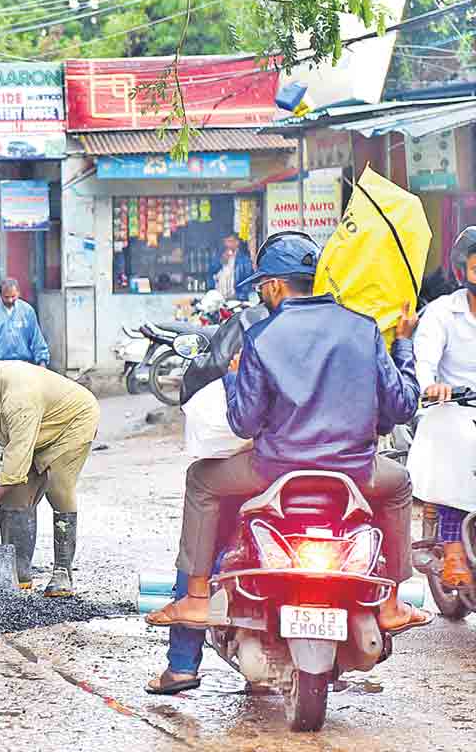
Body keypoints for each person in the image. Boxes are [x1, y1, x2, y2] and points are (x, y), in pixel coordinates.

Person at [143, 231, 431, 695]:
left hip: (275, 474)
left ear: (275, 286)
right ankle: (393, 600)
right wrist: (403, 345)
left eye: (262, 286)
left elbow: (242, 421)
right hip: (357, 475)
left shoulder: (261, 336)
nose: (262, 293)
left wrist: (236, 379)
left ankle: (196, 599)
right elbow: (400, 408)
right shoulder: (361, 329)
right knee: (400, 485)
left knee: (201, 481)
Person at [0, 361, 100, 597]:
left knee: (58, 487)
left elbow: (16, 457)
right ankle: (17, 572)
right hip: (34, 429)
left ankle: (62, 572)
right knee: (15, 496)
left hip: (70, 424)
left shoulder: (19, 398)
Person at [408, 226, 476, 588]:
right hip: (453, 406)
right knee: (458, 438)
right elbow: (424, 362)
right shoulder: (440, 313)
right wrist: (431, 385)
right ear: (462, 272)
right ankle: (452, 548)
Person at [0, 278, 49, 366]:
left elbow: (36, 338)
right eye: (6, 297)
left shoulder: (27, 311)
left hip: (22, 364)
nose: (10, 300)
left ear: (18, 293)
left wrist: (42, 360)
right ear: (0, 294)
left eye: (13, 296)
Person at [209, 233, 255, 301]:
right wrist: (221, 261)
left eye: (230, 241)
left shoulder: (244, 260)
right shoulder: (218, 257)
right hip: (219, 299)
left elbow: (248, 280)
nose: (227, 244)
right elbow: (211, 273)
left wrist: (241, 296)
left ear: (237, 243)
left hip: (237, 300)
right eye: (225, 241)